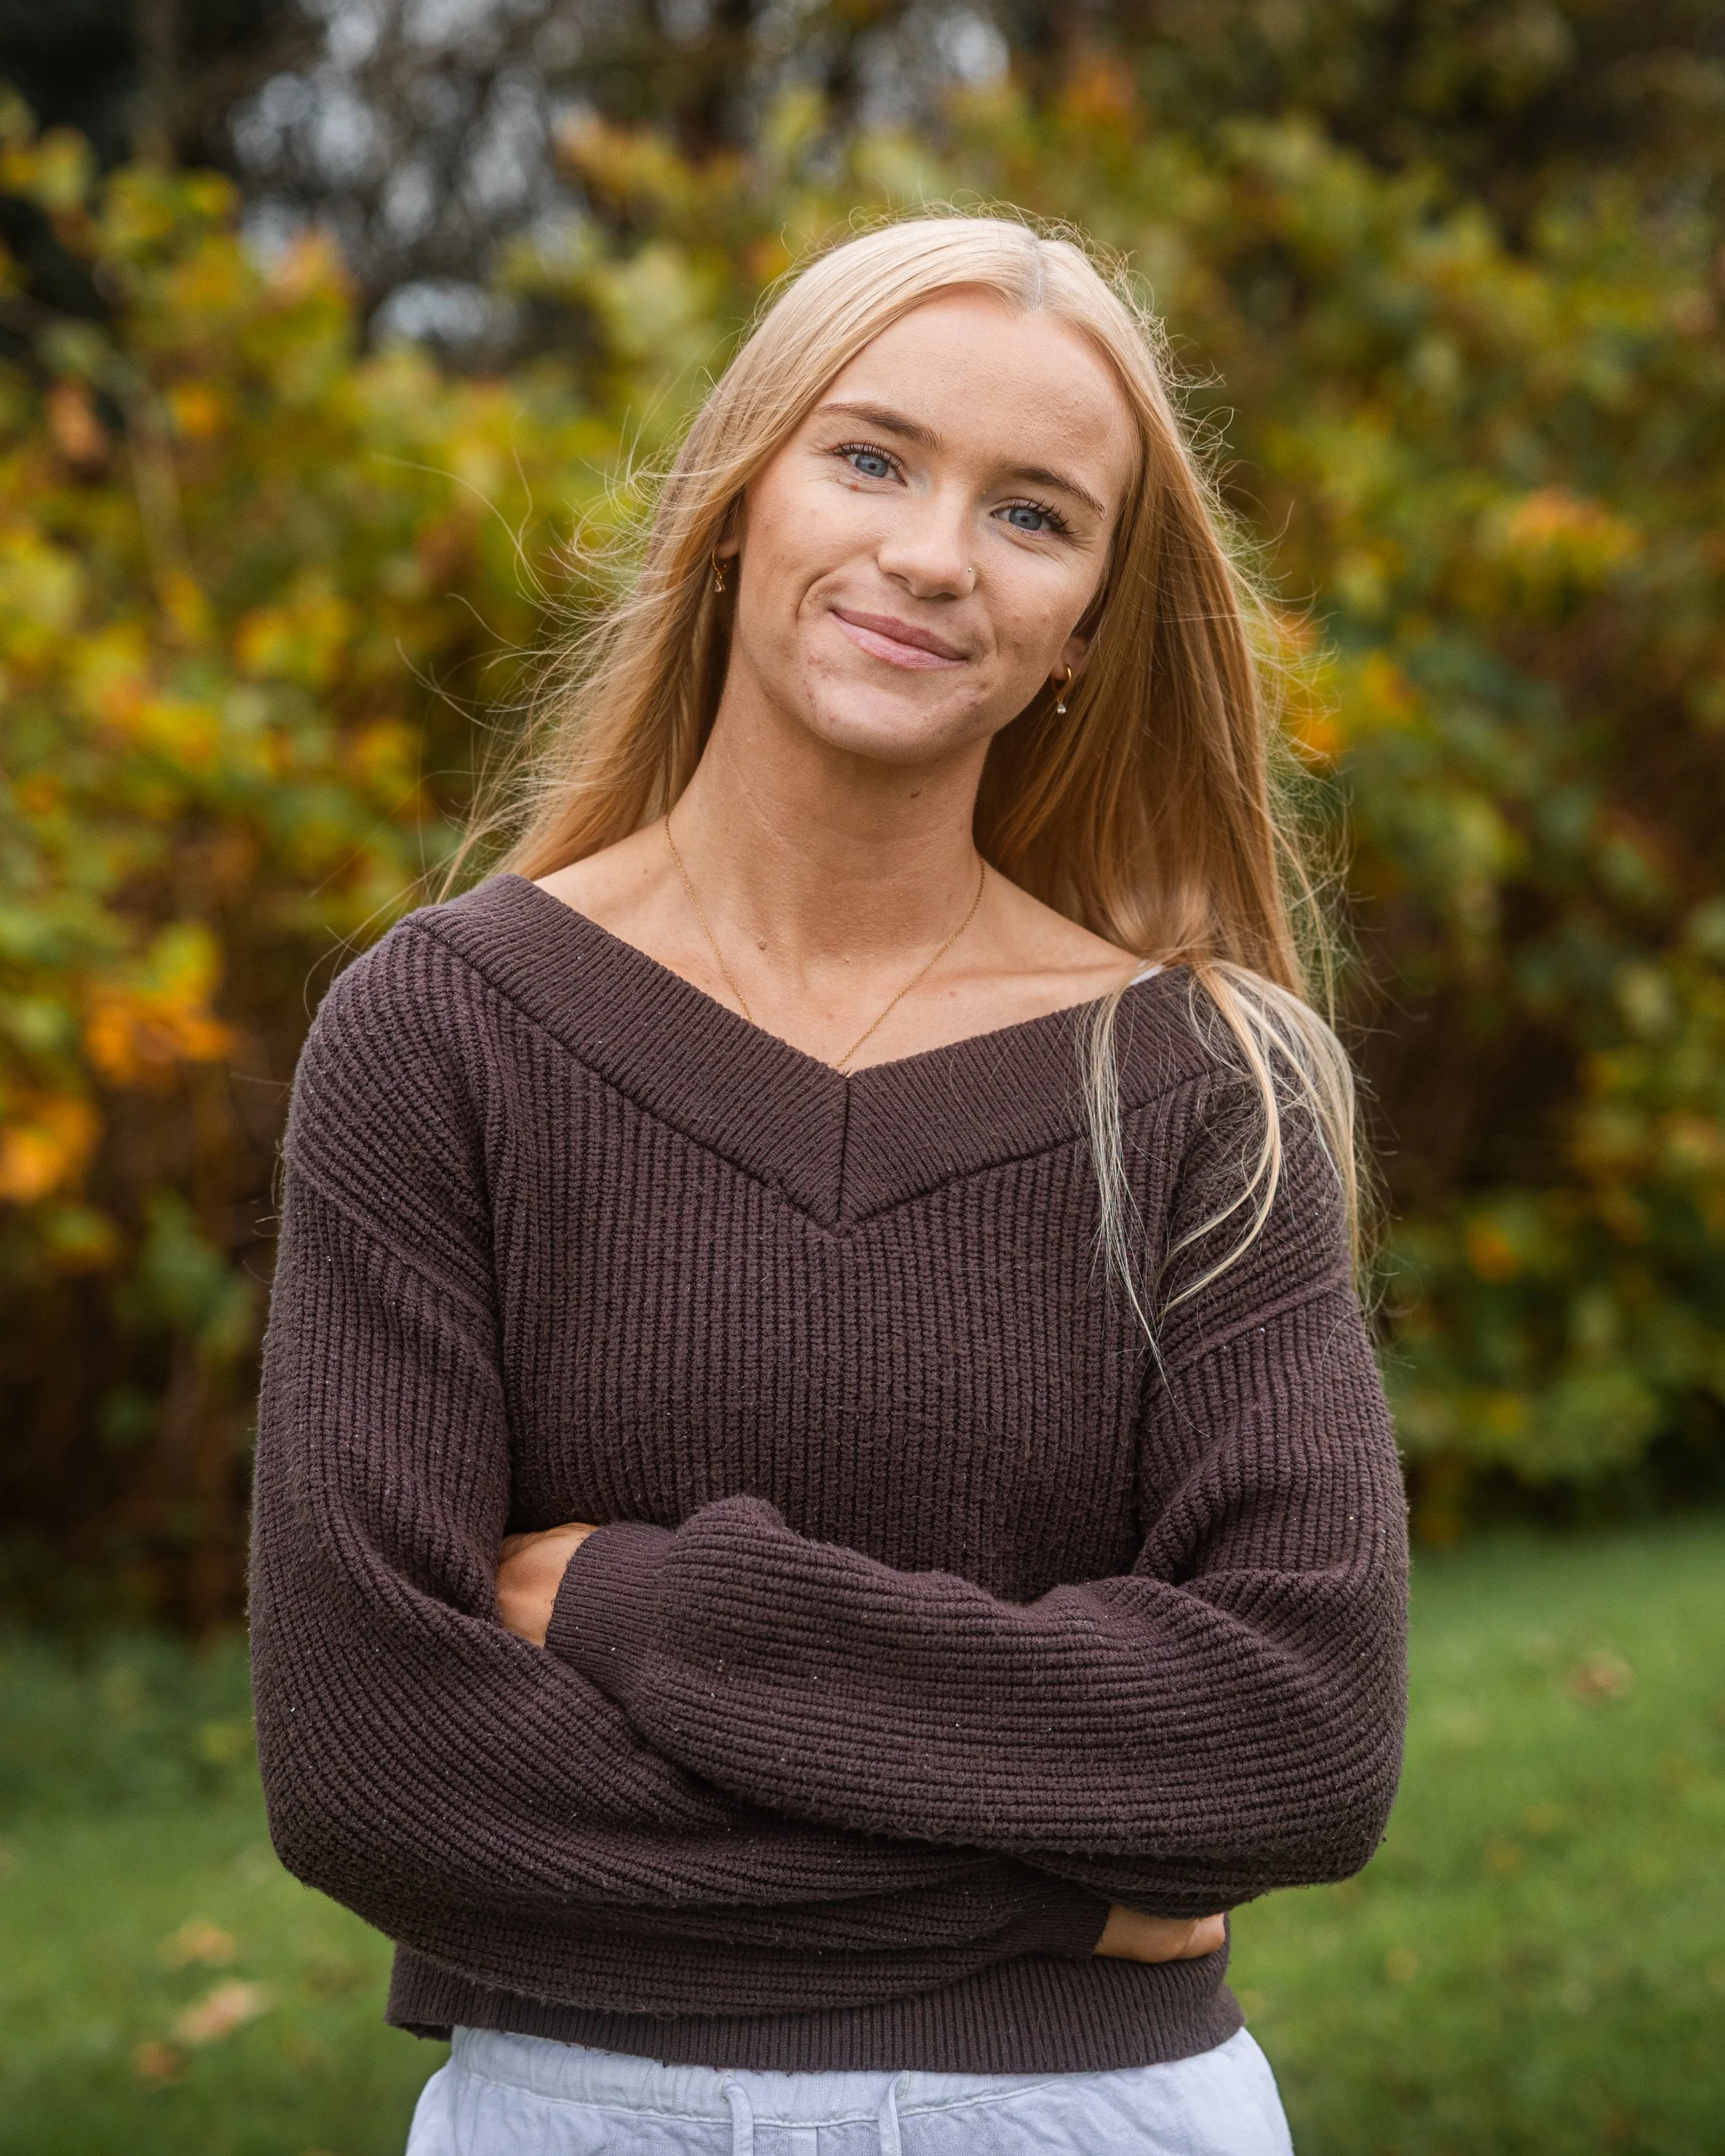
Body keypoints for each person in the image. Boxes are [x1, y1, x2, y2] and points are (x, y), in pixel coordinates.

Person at [249, 212, 1408, 2156]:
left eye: (1033, 514)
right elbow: (376, 1767)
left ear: (1086, 625)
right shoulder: (436, 1032)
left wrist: (648, 1603)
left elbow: (1295, 1728)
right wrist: (1065, 1888)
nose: (933, 553)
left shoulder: (1206, 1083)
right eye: (870, 457)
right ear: (733, 499)